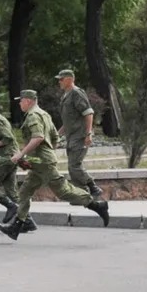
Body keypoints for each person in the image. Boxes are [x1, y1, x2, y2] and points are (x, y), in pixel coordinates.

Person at [0, 90, 109, 240]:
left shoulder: (33, 116)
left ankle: (97, 206)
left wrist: (21, 154)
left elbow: (38, 137)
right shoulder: (44, 114)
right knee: (24, 191)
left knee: (63, 191)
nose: (19, 103)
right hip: (40, 162)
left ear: (29, 101)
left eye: (21, 100)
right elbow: (55, 137)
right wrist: (42, 155)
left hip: (43, 162)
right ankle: (18, 225)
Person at [0, 96, 36, 232]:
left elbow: (8, 138)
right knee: (12, 192)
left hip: (6, 158)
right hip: (13, 157)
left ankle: (11, 207)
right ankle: (28, 222)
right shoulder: (1, 119)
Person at [55, 68, 103, 197]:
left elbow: (88, 113)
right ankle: (81, 194)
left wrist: (88, 134)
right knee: (72, 167)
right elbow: (68, 121)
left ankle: (92, 186)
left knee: (74, 166)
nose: (59, 81)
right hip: (71, 137)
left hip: (80, 136)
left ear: (70, 79)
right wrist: (58, 135)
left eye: (61, 79)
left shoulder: (76, 93)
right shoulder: (65, 96)